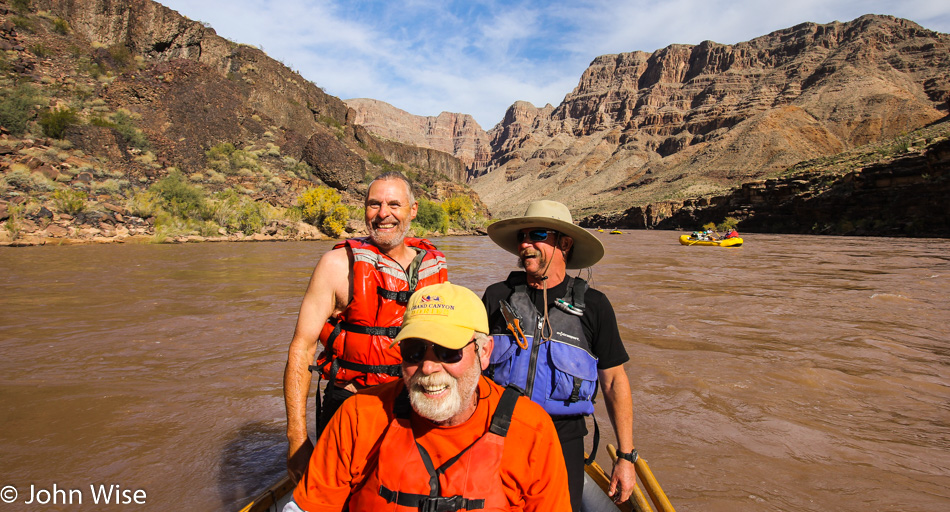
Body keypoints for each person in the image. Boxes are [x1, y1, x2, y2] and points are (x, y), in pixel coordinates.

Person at [286, 282, 571, 512]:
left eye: (448, 352)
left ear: (484, 352)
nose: (428, 367)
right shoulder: (359, 416)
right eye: (414, 351)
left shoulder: (532, 429)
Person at [283, 171, 448, 483]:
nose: (383, 214)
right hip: (351, 407)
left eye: (394, 205)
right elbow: (301, 348)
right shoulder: (336, 266)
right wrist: (296, 438)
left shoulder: (434, 267)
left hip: (414, 406)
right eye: (374, 204)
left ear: (412, 210)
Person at [481, 200, 636, 510]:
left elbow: (614, 381)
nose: (525, 244)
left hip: (564, 440)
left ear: (565, 243)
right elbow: (467, 365)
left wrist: (626, 457)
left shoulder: (595, 306)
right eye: (521, 237)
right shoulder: (497, 296)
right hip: (497, 433)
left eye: (536, 234)